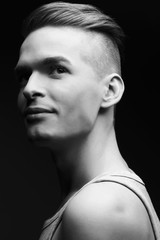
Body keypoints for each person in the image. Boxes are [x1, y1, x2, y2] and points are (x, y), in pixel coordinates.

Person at [15, 2, 160, 240]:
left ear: (110, 90)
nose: (29, 89)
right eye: (23, 76)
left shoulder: (98, 208)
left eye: (57, 69)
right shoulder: (98, 200)